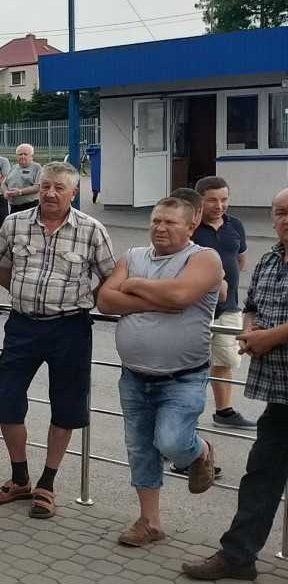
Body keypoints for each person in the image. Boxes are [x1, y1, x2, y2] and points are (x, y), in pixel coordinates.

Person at [0, 160, 115, 519]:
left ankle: (47, 483)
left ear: (74, 192)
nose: (51, 193)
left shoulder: (92, 230)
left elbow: (111, 276)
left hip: (70, 328)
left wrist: (83, 299)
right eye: (46, 186)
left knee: (66, 406)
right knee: (8, 400)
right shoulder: (14, 223)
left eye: (59, 188)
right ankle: (20, 478)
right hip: (22, 326)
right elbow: (3, 271)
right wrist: (28, 297)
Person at [98, 196, 221, 547]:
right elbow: (105, 301)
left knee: (171, 441)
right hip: (134, 375)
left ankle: (200, 451)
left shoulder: (204, 258)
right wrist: (159, 300)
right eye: (156, 220)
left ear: (191, 226)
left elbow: (180, 296)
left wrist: (133, 285)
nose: (160, 228)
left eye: (170, 222)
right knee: (140, 449)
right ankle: (149, 522)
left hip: (182, 377)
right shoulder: (133, 256)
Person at [184, 188, 288, 581]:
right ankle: (238, 557)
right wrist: (250, 331)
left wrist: (270, 337)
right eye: (280, 212)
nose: (285, 220)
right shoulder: (270, 259)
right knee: (261, 476)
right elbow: (252, 306)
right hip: (280, 395)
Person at [191, 176, 257, 431]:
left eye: (224, 199)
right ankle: (185, 416)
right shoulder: (190, 226)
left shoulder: (235, 225)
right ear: (200, 200)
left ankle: (224, 412)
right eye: (212, 200)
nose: (219, 206)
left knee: (225, 360)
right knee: (191, 364)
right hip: (195, 308)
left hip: (229, 306)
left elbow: (240, 260)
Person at [3, 143, 40, 214]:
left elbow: (38, 187)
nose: (22, 156)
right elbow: (4, 183)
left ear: (31, 156)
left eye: (25, 154)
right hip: (14, 207)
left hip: (30, 206)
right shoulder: (13, 167)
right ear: (17, 156)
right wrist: (5, 192)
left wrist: (20, 192)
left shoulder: (37, 167)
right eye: (20, 154)